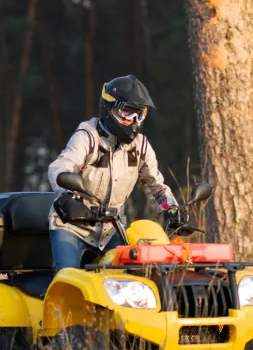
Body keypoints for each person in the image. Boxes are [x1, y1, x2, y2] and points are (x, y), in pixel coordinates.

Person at [47, 74, 185, 272]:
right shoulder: (88, 136)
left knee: (132, 276)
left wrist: (171, 210)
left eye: (139, 114)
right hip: (72, 227)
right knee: (67, 276)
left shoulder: (141, 146)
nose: (133, 120)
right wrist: (68, 198)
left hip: (111, 230)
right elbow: (60, 167)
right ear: (109, 107)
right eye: (127, 112)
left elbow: (156, 187)